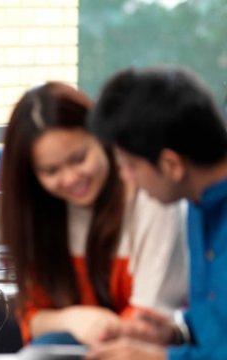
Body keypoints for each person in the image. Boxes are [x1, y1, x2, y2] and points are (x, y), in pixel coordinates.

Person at [0, 82, 188, 347]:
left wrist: (93, 328)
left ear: (101, 137)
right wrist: (73, 319)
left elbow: (150, 324)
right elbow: (31, 319)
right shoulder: (39, 213)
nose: (71, 178)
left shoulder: (153, 197)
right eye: (51, 171)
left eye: (79, 158)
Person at [86, 66, 227, 359]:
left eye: (131, 166)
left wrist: (159, 358)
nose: (126, 178)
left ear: (171, 165)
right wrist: (174, 333)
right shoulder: (196, 204)